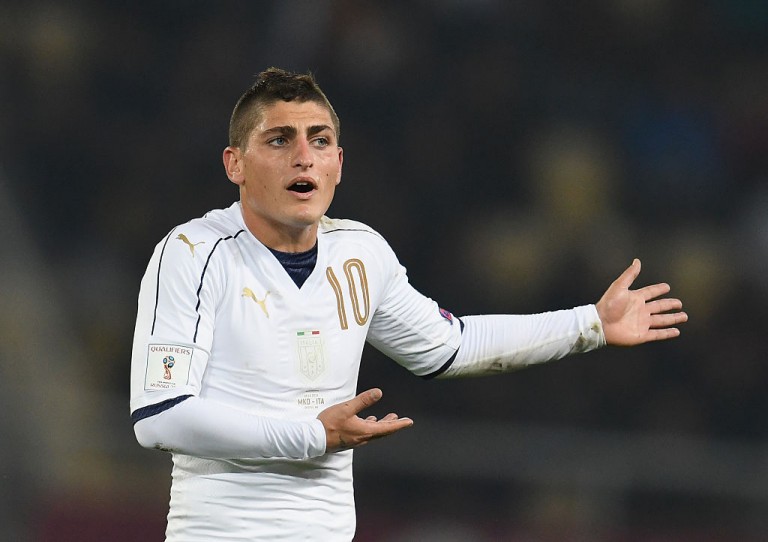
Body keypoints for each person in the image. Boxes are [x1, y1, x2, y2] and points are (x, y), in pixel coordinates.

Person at [130, 67, 687, 541]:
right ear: (235, 164)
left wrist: (590, 324)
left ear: (338, 163)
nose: (304, 157)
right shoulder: (194, 253)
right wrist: (312, 437)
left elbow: (451, 346)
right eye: (279, 140)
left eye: (319, 141)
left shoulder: (361, 253)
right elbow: (160, 416)